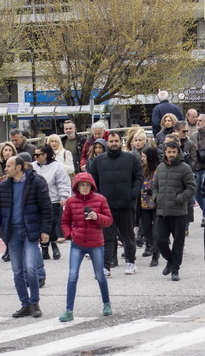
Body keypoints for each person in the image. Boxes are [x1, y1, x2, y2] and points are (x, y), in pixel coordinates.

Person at [0, 156, 52, 319]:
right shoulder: (3, 186)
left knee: (31, 268)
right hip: (12, 233)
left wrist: (45, 231)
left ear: (19, 167)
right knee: (17, 271)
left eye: (9, 166)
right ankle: (25, 304)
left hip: (29, 231)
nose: (5, 169)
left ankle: (35, 302)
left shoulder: (36, 183)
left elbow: (46, 208)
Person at [59, 172, 113, 322]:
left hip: (95, 244)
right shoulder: (71, 201)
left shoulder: (100, 199)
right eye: (82, 185)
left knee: (100, 275)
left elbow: (109, 220)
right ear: (76, 187)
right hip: (77, 244)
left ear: (91, 186)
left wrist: (97, 217)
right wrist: (69, 235)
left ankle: (107, 304)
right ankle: (69, 310)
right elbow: (64, 222)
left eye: (87, 185)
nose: (84, 187)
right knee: (72, 276)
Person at [87, 132, 144, 276]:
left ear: (121, 142)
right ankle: (106, 266)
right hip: (106, 207)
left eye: (116, 141)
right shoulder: (98, 161)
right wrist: (98, 199)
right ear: (107, 142)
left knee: (128, 236)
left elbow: (139, 177)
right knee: (107, 238)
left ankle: (131, 263)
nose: (114, 144)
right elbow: (92, 182)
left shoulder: (131, 158)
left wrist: (133, 193)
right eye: (111, 141)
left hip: (126, 205)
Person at [153, 140, 195, 281]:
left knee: (178, 242)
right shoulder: (160, 167)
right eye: (169, 152)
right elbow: (155, 186)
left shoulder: (185, 168)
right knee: (159, 240)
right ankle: (170, 260)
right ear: (165, 152)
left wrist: (180, 198)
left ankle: (175, 269)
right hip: (162, 212)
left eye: (174, 152)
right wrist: (156, 197)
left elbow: (191, 188)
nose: (171, 154)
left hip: (178, 212)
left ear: (178, 152)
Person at [31, 145, 71, 263]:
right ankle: (44, 248)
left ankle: (53, 244)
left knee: (51, 223)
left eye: (38, 155)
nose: (36, 157)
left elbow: (62, 182)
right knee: (40, 223)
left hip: (52, 199)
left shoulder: (56, 166)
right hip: (37, 200)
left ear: (45, 155)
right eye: (34, 155)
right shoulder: (33, 167)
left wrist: (63, 197)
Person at [138, 147, 160, 267]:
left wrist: (153, 191)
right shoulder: (142, 169)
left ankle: (156, 254)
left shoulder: (159, 169)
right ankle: (152, 245)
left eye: (144, 157)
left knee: (156, 231)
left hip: (157, 203)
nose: (142, 159)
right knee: (146, 230)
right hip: (144, 203)